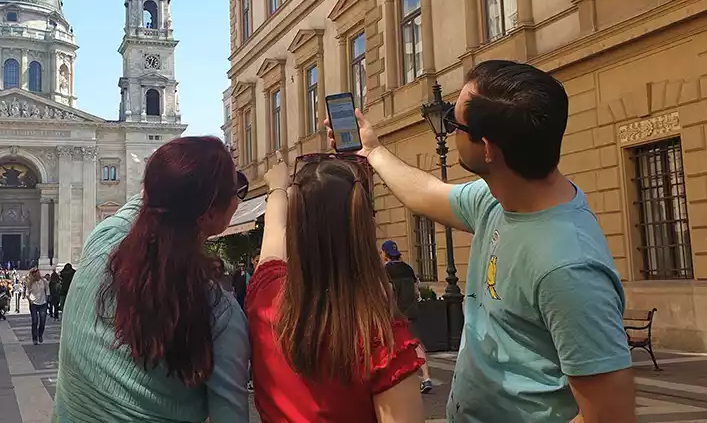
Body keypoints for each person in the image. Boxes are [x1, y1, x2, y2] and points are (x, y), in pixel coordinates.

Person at [326, 60, 634, 423]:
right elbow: (427, 193)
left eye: (455, 124)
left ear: (487, 148)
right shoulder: (497, 198)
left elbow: (609, 416)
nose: (449, 131)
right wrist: (373, 151)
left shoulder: (568, 268)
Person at [52, 136, 250, 422]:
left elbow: (154, 198)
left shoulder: (101, 240)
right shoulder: (219, 314)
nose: (238, 195)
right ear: (211, 213)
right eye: (237, 189)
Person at [246, 152, 424, 423]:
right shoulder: (381, 337)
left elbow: (272, 235)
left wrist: (278, 188)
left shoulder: (265, 297)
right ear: (363, 227)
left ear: (296, 227)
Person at [380, 240, 434, 393]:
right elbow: (417, 292)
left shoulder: (385, 271)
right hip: (411, 311)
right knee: (416, 344)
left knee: (391, 347)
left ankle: (399, 381)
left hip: (395, 313)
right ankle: (426, 377)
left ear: (385, 253)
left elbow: (387, 292)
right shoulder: (408, 268)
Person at [26, 268, 49, 344]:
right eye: (35, 273)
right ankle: (34, 338)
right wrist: (30, 300)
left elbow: (47, 291)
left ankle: (40, 334)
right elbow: (27, 293)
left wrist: (47, 299)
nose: (38, 274)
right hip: (34, 304)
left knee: (42, 321)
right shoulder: (30, 283)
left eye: (38, 272)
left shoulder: (44, 281)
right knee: (35, 321)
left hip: (43, 303)